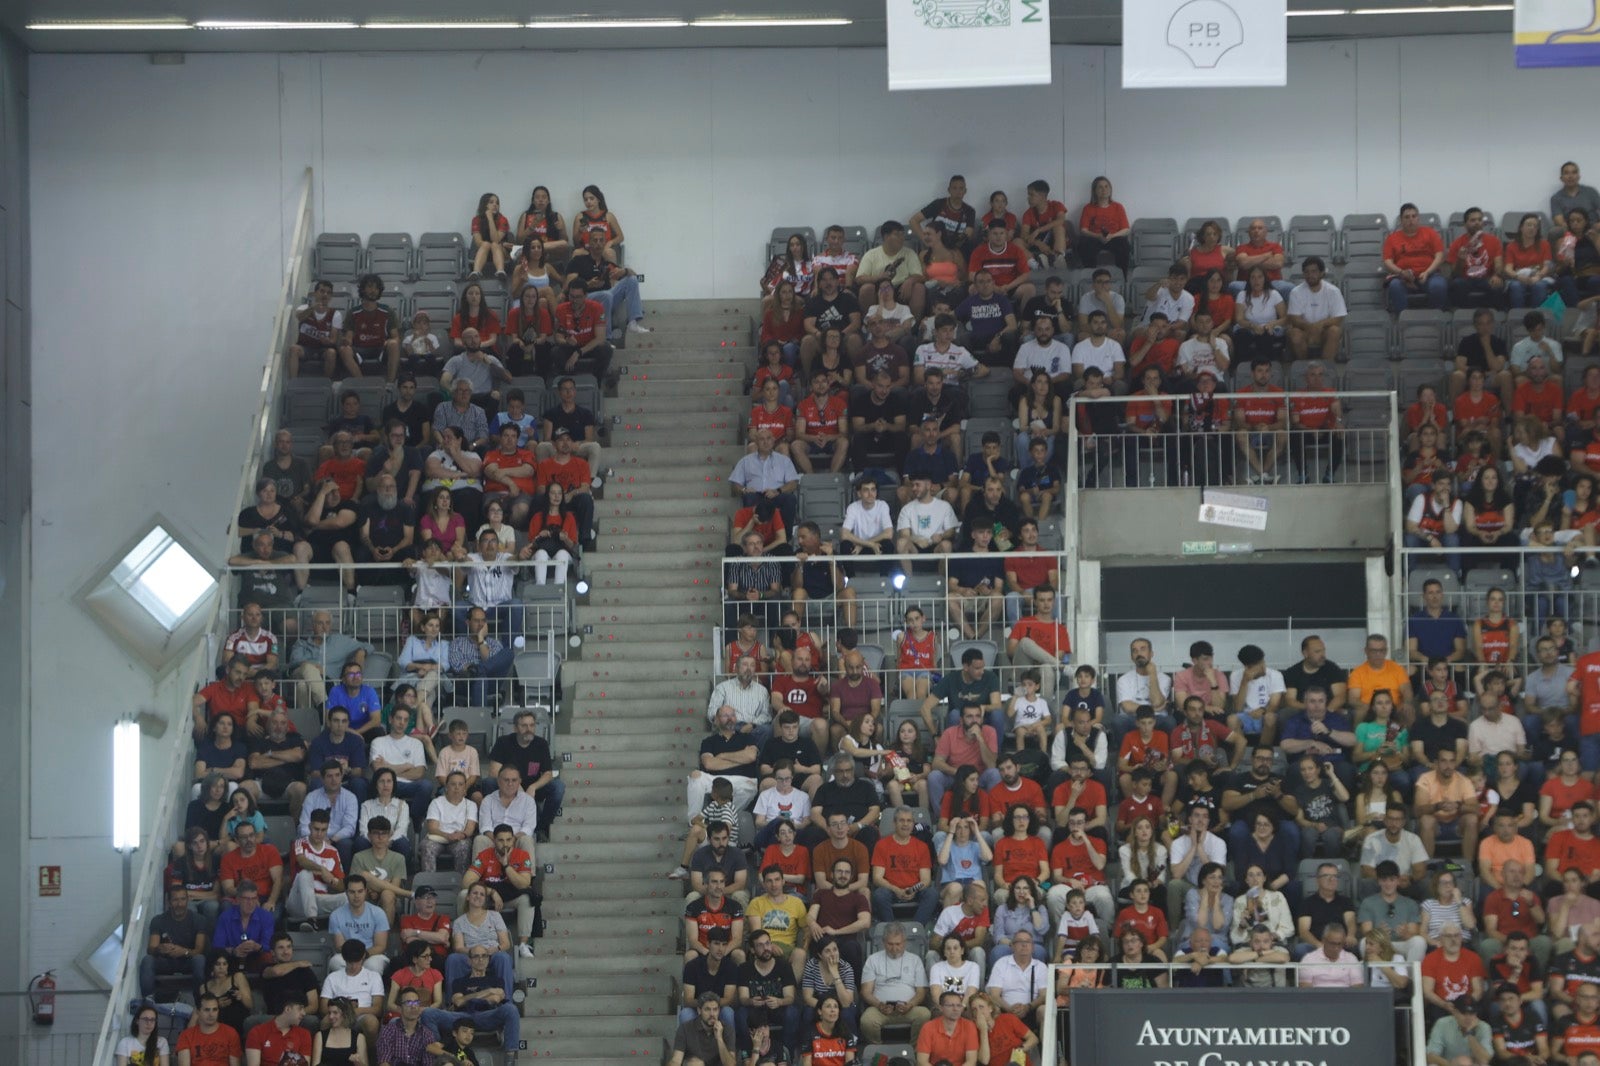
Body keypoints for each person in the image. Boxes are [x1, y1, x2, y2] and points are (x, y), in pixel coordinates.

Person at [859, 922, 930, 1045]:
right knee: (866, 1020)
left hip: (908, 1009)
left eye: (898, 944)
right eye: (890, 944)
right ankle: (877, 1048)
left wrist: (910, 1004)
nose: (894, 948)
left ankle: (914, 1050)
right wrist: (879, 1005)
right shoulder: (873, 960)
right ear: (883, 942)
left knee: (924, 1014)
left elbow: (921, 991)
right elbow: (866, 992)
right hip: (880, 1009)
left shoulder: (915, 960)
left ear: (905, 942)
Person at [1385, 203, 1448, 313]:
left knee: (1439, 285)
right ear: (1401, 220)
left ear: (1418, 218)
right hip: (1403, 277)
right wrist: (1401, 272)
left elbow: (1439, 255)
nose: (1411, 220)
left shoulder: (1430, 233)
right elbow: (1387, 261)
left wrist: (1427, 272)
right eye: (1407, 217)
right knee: (1394, 286)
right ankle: (1403, 320)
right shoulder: (1392, 238)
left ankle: (1436, 318)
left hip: (1430, 275)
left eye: (1414, 216)